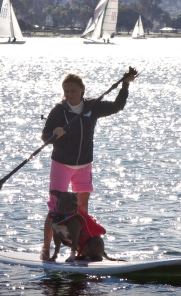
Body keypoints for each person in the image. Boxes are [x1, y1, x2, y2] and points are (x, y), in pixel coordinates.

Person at [40, 68, 139, 260]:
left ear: (82, 90)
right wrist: (54, 135)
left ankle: (80, 250)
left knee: (82, 210)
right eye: (66, 91)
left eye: (73, 91)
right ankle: (45, 249)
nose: (70, 95)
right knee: (54, 209)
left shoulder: (92, 107)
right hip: (62, 164)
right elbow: (45, 137)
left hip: (84, 165)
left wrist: (126, 84)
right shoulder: (59, 111)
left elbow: (118, 106)